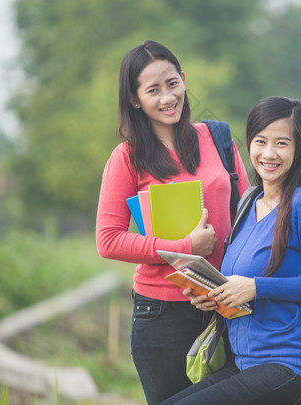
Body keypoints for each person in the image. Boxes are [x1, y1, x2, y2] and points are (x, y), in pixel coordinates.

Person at [160, 96, 301, 405]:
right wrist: (213, 293)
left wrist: (255, 288)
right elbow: (241, 281)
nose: (269, 153)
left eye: (282, 143)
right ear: (249, 143)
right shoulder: (248, 202)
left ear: (299, 149)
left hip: (293, 365)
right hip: (245, 362)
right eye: (261, 141)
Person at [95, 40, 250, 405]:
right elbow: (109, 240)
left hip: (226, 304)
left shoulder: (218, 138)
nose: (167, 97)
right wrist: (185, 249)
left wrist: (241, 284)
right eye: (153, 90)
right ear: (135, 99)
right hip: (163, 316)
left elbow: (247, 214)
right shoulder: (127, 158)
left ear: (183, 79)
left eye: (172, 83)